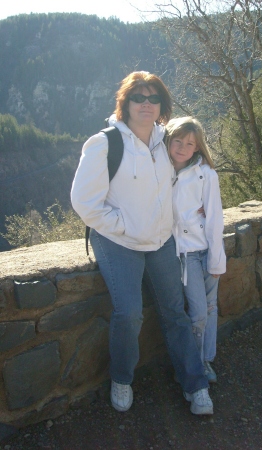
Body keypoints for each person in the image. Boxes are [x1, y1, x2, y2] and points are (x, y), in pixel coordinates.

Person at [71, 72, 213, 415]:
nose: (146, 104)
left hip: (161, 240)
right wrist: (123, 226)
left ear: (162, 105)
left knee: (175, 312)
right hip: (118, 242)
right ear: (126, 102)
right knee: (130, 312)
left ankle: (196, 385)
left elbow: (191, 166)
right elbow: (84, 202)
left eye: (153, 98)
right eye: (138, 97)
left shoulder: (165, 141)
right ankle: (122, 378)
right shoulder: (105, 143)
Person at [166, 116, 227, 384]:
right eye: (177, 141)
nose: (182, 147)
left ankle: (205, 360)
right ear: (168, 141)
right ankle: (195, 363)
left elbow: (215, 218)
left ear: (198, 147)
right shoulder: (159, 172)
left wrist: (216, 261)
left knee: (211, 308)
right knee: (199, 313)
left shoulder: (206, 174)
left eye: (189, 143)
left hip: (207, 250)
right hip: (186, 254)